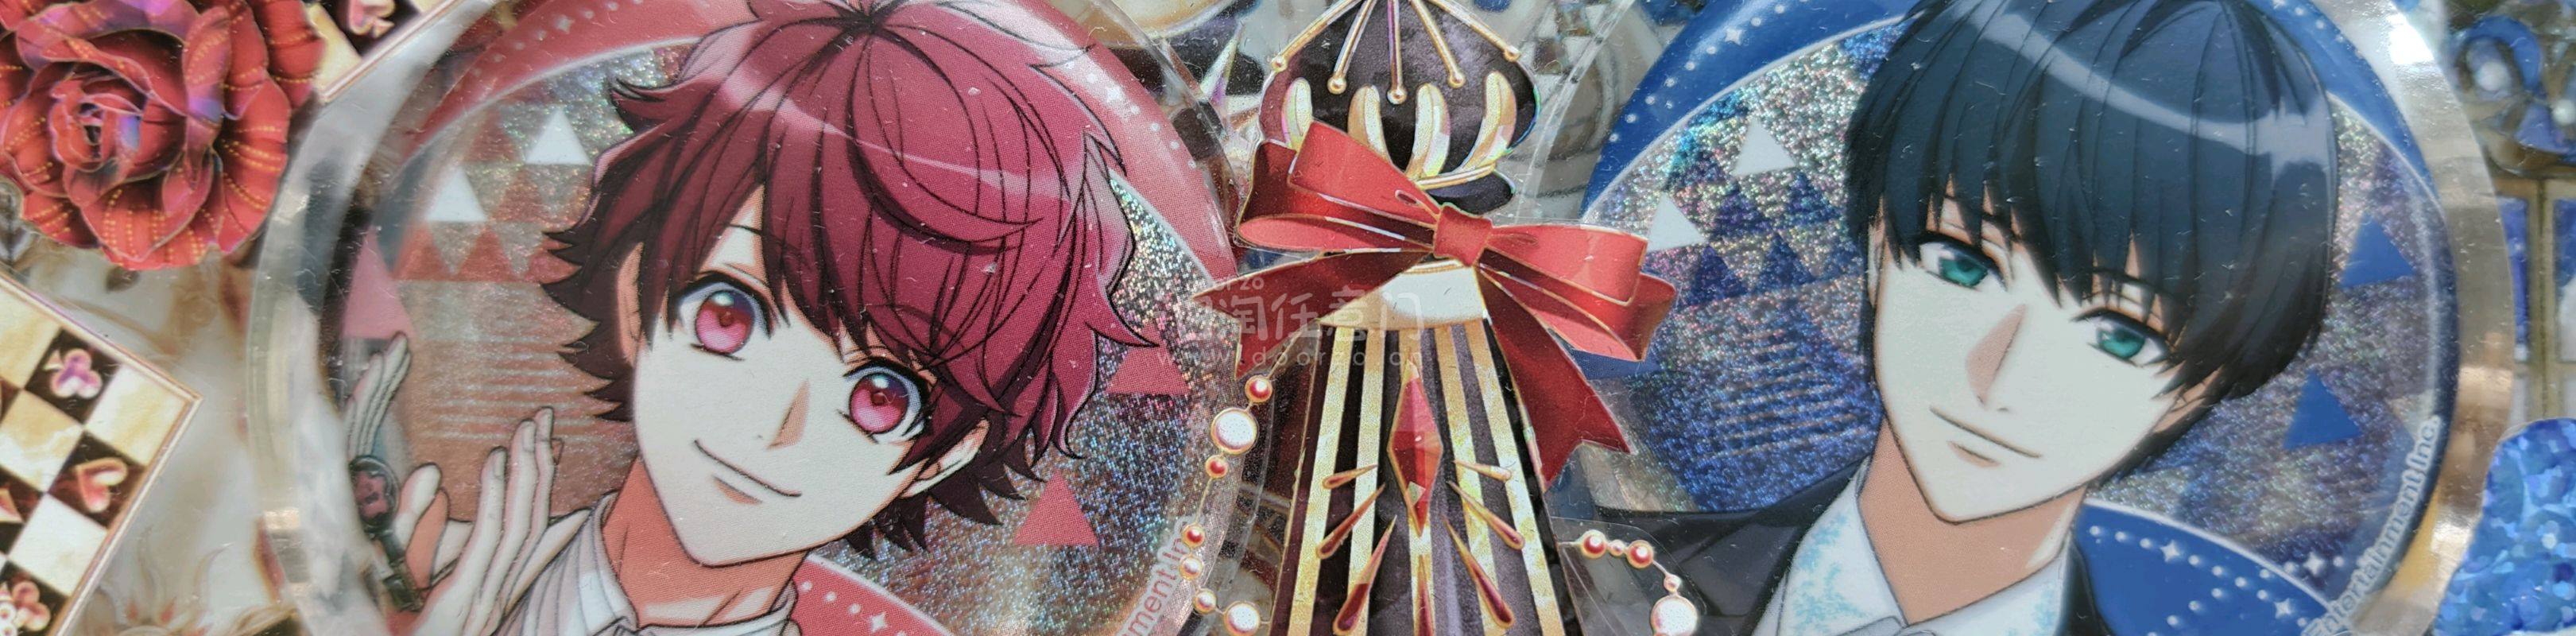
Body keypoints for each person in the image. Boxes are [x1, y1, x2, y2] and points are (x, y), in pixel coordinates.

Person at [381, 0, 1154, 632]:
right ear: (635, 294)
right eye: (730, 314)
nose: (776, 429)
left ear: (946, 455)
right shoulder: (421, 566)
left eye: (879, 395)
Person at [1601, 0, 2342, 633]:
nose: (2000, 376)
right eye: (1962, 263)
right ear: (1878, 246)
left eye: (2119, 333)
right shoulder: (1603, 566)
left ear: (2195, 389)